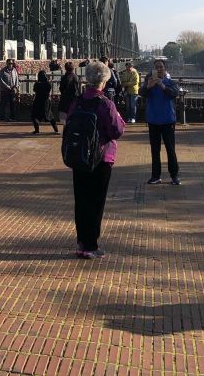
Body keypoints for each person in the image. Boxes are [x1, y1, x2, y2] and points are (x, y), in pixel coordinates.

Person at [66, 60, 125, 258]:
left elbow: (69, 123)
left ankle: (82, 242)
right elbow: (117, 131)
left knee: (81, 200)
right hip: (101, 157)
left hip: (79, 155)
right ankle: (91, 245)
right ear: (104, 80)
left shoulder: (78, 101)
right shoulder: (105, 103)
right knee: (96, 201)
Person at [141, 59, 181, 185]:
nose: (158, 69)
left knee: (170, 149)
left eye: (161, 67)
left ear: (165, 69)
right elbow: (141, 93)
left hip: (167, 121)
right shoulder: (149, 83)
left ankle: (174, 175)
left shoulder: (170, 82)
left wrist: (162, 86)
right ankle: (155, 176)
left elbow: (175, 93)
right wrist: (148, 86)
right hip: (153, 120)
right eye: (156, 67)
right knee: (155, 150)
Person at [31, 69, 58, 134]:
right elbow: (49, 89)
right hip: (46, 102)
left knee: (34, 115)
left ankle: (37, 130)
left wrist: (37, 83)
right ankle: (56, 129)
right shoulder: (48, 84)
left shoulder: (37, 84)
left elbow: (34, 90)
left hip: (38, 101)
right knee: (50, 116)